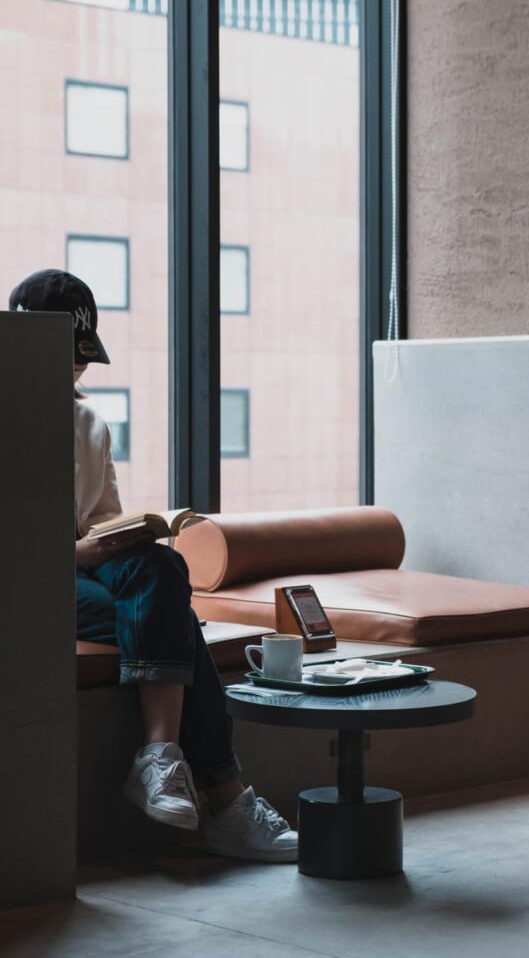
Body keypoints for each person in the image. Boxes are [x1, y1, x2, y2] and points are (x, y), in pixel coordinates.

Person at [9, 269, 298, 863]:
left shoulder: (88, 422)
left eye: (80, 362)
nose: (75, 373)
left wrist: (118, 537)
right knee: (176, 625)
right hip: (26, 576)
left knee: (162, 569)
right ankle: (227, 797)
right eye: (65, 359)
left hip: (86, 566)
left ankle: (163, 760)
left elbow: (100, 519)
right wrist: (77, 553)